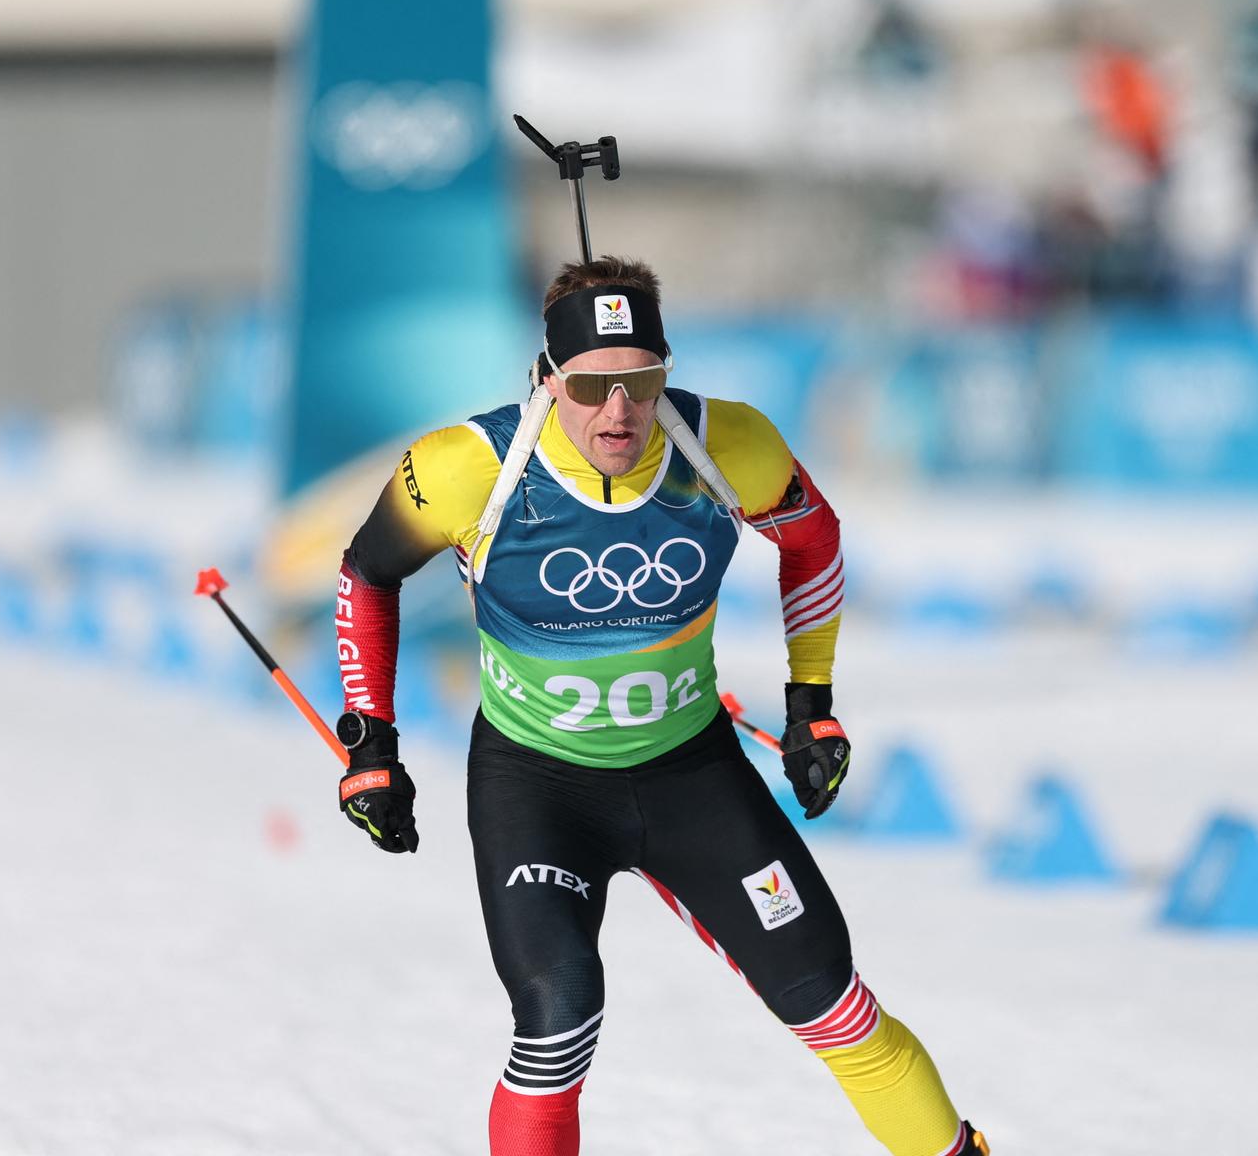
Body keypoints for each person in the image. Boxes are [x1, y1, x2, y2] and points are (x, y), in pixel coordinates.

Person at [330, 257, 989, 1156]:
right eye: (593, 385)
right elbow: (368, 576)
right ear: (548, 378)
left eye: (641, 380)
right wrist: (371, 743)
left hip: (691, 775)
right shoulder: (466, 469)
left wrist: (813, 704)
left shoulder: (730, 448)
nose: (619, 410)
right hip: (539, 787)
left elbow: (814, 540)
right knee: (559, 1018)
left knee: (834, 1005)